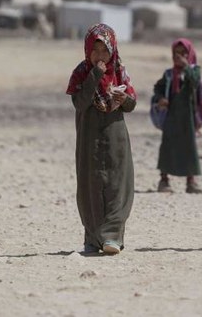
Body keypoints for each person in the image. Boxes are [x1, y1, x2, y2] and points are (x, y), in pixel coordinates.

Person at [66, 24, 137, 255]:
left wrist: (123, 98)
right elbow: (79, 102)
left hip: (115, 135)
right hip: (89, 136)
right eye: (95, 51)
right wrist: (95, 75)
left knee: (118, 183)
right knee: (91, 184)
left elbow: (132, 104)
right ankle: (93, 237)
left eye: (104, 50)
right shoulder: (81, 72)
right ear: (87, 50)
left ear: (112, 50)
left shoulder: (119, 70)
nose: (100, 56)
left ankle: (113, 236)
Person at [153, 38, 202, 194]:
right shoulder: (169, 74)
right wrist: (160, 100)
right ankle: (164, 180)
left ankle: (191, 182)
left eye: (183, 53)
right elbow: (158, 89)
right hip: (172, 117)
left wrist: (186, 66)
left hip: (188, 118)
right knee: (167, 148)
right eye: (176, 53)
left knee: (189, 149)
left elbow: (194, 82)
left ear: (189, 54)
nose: (179, 57)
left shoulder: (194, 71)